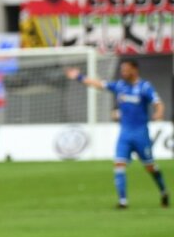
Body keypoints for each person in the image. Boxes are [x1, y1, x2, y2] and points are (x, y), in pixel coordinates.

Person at [67, 61, 168, 209]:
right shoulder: (120, 86)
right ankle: (123, 201)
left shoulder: (144, 87)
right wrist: (79, 77)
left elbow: (158, 102)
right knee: (119, 165)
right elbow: (99, 84)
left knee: (150, 167)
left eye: (126, 70)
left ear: (135, 70)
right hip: (125, 135)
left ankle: (164, 191)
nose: (123, 72)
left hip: (141, 135)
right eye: (122, 70)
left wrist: (159, 112)